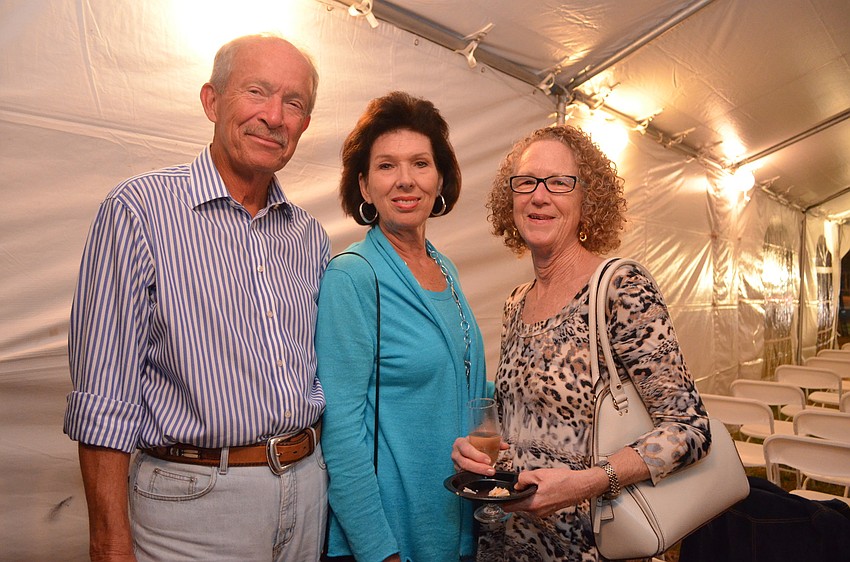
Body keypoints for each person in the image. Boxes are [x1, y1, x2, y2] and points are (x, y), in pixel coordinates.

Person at [63, 34, 329, 562]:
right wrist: (110, 546)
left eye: (294, 103)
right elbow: (102, 398)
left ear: (303, 125)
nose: (274, 116)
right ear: (212, 101)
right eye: (257, 92)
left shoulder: (309, 236)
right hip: (191, 506)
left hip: (306, 495)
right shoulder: (138, 210)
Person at [451, 124, 711, 561]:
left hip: (595, 544)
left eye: (559, 183)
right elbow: (525, 426)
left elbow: (690, 430)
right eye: (527, 182)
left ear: (586, 199)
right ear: (509, 199)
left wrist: (590, 481)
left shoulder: (619, 288)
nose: (539, 195)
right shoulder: (517, 303)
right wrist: (480, 451)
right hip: (513, 543)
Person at [316, 91, 487, 562]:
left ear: (441, 178)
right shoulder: (353, 276)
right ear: (365, 186)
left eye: (420, 163)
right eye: (387, 166)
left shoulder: (443, 266)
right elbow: (342, 433)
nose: (406, 181)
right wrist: (379, 552)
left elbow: (462, 377)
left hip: (452, 521)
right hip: (390, 536)